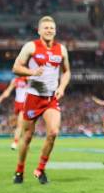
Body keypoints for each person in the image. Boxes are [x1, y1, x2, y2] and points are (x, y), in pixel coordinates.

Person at [12, 16, 71, 184]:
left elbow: (67, 72)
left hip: (51, 98)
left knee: (53, 132)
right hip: (33, 98)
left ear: (55, 30)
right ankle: (19, 170)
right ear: (39, 30)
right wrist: (32, 73)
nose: (49, 30)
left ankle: (40, 170)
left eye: (51, 28)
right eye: (45, 28)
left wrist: (61, 87)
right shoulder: (30, 46)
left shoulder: (61, 49)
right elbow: (16, 67)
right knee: (27, 137)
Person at [0, 76, 28, 150]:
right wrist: (1, 98)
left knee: (20, 124)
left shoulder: (28, 78)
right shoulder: (15, 80)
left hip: (25, 104)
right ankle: (22, 140)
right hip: (17, 104)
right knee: (17, 124)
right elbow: (8, 91)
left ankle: (15, 143)